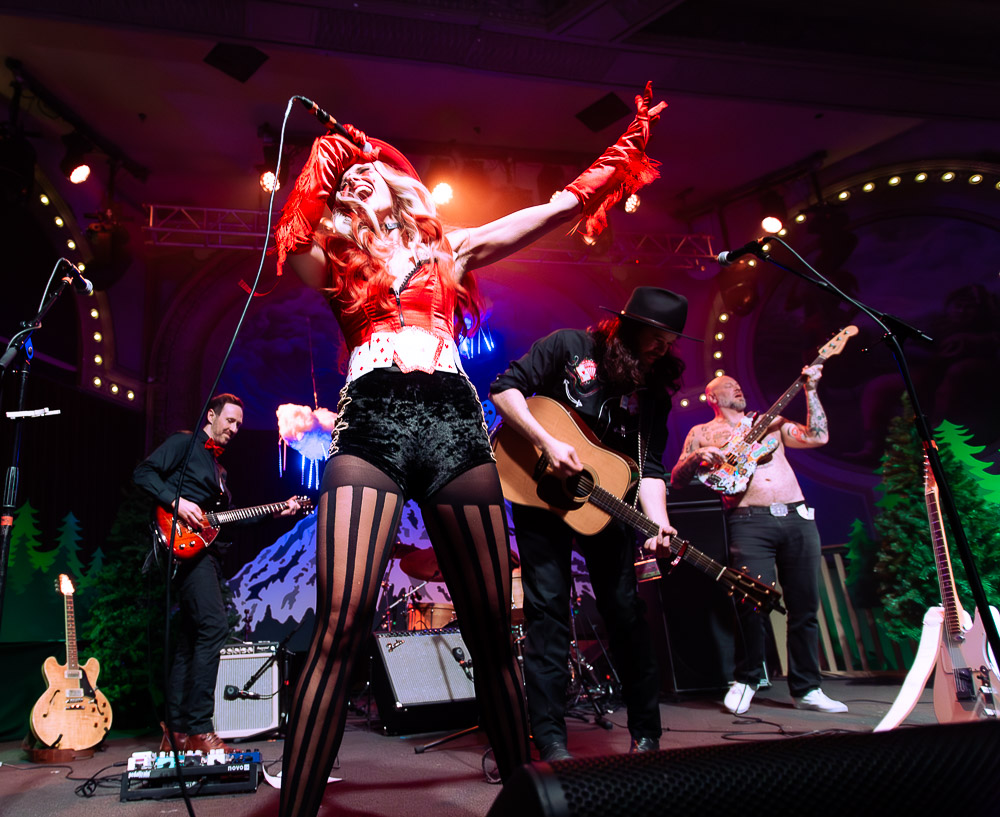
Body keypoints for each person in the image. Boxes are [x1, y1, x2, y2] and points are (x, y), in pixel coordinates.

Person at [272, 82, 666, 814]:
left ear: (404, 189)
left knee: (491, 630)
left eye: (374, 172)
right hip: (375, 417)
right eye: (347, 180)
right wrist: (328, 154)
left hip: (454, 420)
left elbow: (552, 210)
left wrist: (617, 160)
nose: (361, 179)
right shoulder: (332, 261)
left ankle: (530, 807)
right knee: (339, 623)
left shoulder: (451, 250)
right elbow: (292, 237)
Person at [490, 286, 696, 760]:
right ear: (629, 327)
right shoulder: (568, 346)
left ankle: (647, 735)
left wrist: (660, 523)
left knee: (625, 611)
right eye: (657, 338)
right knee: (547, 613)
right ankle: (550, 740)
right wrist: (545, 442)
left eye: (670, 343)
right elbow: (504, 389)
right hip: (539, 496)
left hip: (608, 506)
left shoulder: (652, 394)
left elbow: (649, 468)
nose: (663, 350)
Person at [669, 371, 848, 715]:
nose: (736, 387)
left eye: (738, 384)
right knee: (750, 604)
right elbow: (677, 479)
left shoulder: (770, 423)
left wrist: (810, 390)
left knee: (805, 607)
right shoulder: (702, 433)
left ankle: (808, 688)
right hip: (749, 521)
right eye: (727, 386)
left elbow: (818, 436)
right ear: (712, 397)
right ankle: (747, 678)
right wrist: (698, 456)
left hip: (797, 517)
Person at [134, 393, 301, 753]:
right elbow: (143, 473)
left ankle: (177, 732)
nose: (235, 428)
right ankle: (200, 727)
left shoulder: (219, 470)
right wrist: (176, 500)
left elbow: (228, 522)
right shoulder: (184, 443)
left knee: (191, 639)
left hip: (202, 552)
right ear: (211, 415)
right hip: (180, 549)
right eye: (230, 420)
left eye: (240, 424)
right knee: (214, 627)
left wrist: (278, 510)